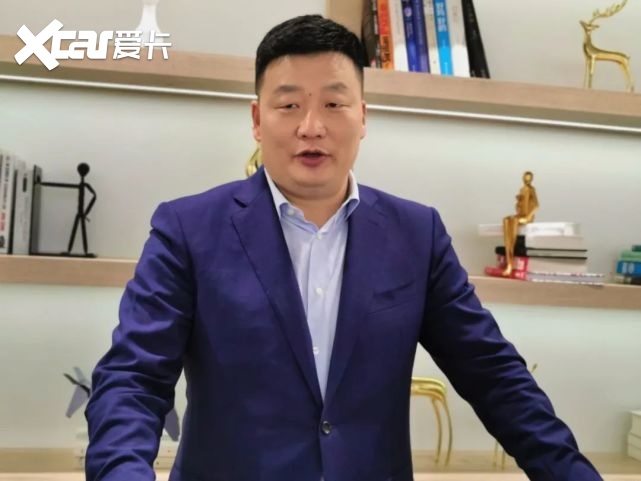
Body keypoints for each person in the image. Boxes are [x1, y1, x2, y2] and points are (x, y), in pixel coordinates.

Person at [85, 14, 603, 481]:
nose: (312, 127)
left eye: (334, 104)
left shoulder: (416, 234)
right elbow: (133, 378)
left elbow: (494, 375)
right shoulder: (188, 228)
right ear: (257, 120)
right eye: (289, 105)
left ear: (363, 116)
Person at [502, 171, 538, 276]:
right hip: (520, 215)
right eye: (525, 178)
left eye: (529, 178)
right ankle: (509, 252)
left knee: (513, 221)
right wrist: (519, 201)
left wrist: (529, 216)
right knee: (506, 220)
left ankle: (510, 263)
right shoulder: (522, 189)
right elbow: (520, 204)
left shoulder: (531, 189)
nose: (527, 180)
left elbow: (536, 205)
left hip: (527, 217)